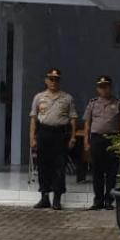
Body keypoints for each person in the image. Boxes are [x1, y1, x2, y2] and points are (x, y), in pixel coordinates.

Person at [29, 68, 78, 210]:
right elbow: (33, 119)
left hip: (60, 134)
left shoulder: (67, 98)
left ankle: (57, 198)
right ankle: (44, 196)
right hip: (44, 133)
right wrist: (32, 138)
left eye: (56, 79)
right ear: (46, 80)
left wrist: (73, 137)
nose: (53, 82)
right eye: (51, 79)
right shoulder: (39, 97)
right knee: (43, 166)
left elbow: (73, 119)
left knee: (59, 166)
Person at [82, 75, 120, 210]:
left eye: (106, 87)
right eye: (101, 87)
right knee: (97, 171)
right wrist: (86, 141)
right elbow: (87, 123)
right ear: (97, 89)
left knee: (112, 171)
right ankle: (98, 200)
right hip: (97, 139)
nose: (104, 89)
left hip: (113, 139)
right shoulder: (92, 103)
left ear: (110, 87)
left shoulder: (119, 103)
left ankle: (109, 200)